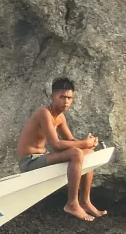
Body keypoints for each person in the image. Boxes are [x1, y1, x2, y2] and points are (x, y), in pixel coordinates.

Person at [16, 77, 103, 221]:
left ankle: (85, 201)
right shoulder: (44, 113)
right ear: (52, 97)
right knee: (76, 152)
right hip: (29, 162)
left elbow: (71, 141)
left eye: (69, 98)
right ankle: (72, 203)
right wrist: (83, 143)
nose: (66, 101)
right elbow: (56, 144)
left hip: (43, 158)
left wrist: (90, 143)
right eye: (62, 97)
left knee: (88, 153)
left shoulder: (60, 117)